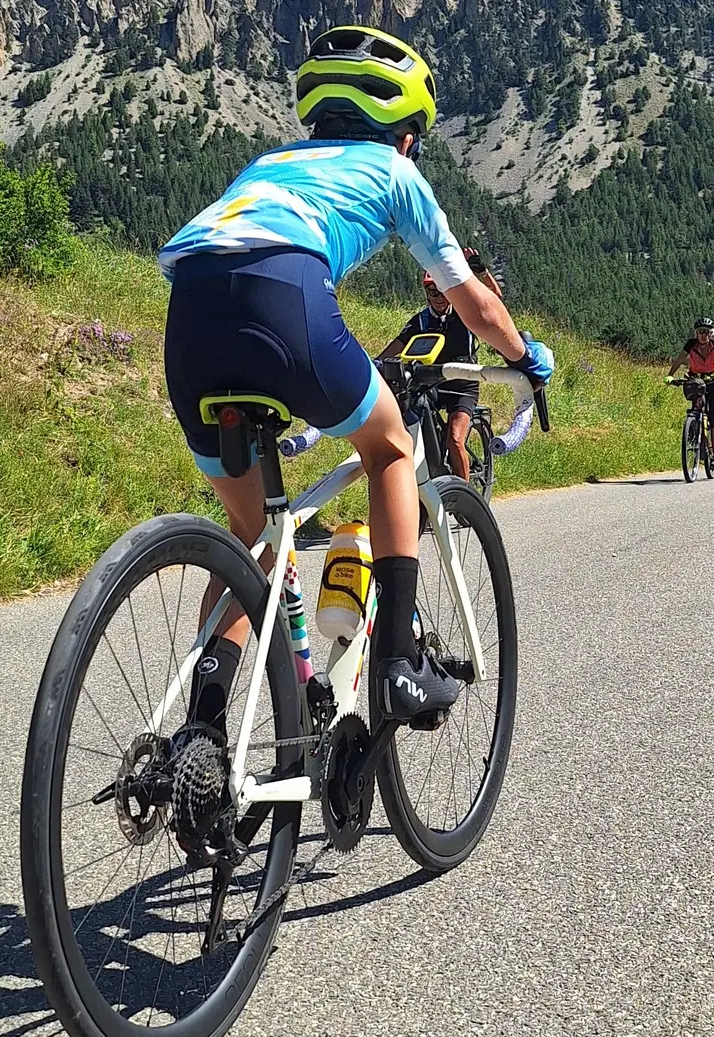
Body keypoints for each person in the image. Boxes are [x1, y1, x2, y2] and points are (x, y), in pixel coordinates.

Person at [157, 25, 554, 720]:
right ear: (403, 134)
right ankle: (398, 665)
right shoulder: (397, 172)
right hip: (284, 300)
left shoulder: (268, 163)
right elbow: (473, 301)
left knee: (252, 546)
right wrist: (525, 359)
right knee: (391, 446)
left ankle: (200, 734)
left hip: (188, 315)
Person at [377, 249, 506, 481]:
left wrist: (482, 273)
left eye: (442, 291)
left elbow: (494, 300)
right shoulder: (421, 321)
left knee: (455, 439)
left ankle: (467, 499)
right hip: (433, 384)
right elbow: (392, 349)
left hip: (464, 384)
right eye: (432, 291)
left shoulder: (465, 313)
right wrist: (372, 365)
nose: (438, 297)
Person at [667, 317, 714, 465]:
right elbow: (679, 360)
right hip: (696, 380)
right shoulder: (691, 344)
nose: (703, 335)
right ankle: (695, 434)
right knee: (696, 411)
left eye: (706, 332)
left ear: (711, 334)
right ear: (696, 333)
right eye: (700, 332)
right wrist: (670, 375)